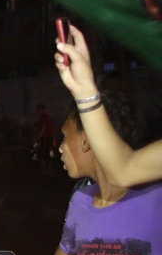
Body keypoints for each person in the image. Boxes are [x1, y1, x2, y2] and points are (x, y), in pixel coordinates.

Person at [30, 91, 161, 255]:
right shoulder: (81, 199)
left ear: (86, 140)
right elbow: (67, 249)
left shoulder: (155, 201)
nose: (59, 147)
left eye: (65, 136)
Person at [55, 24, 162, 187]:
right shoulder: (81, 195)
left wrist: (86, 92)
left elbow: (124, 171)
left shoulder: (146, 202)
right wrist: (84, 90)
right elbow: (125, 171)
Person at [32, 104, 56, 177]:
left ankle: (47, 173)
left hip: (45, 139)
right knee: (47, 157)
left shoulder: (45, 118)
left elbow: (43, 129)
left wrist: (36, 139)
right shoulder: (47, 118)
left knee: (44, 157)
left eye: (40, 110)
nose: (39, 112)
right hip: (47, 138)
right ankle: (48, 173)